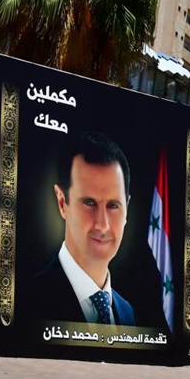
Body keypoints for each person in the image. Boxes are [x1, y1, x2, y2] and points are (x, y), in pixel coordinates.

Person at [26, 131, 136, 326]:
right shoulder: (29, 301)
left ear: (126, 208)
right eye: (89, 203)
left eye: (113, 206)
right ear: (62, 203)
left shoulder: (126, 312)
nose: (102, 224)